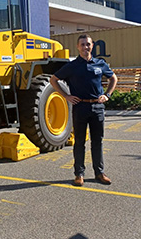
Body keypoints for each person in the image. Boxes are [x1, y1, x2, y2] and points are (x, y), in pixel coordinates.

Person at [50, 34, 117, 187]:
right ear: (78, 47)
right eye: (82, 44)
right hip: (80, 107)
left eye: (88, 44)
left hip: (98, 107)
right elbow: (53, 80)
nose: (85, 47)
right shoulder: (72, 66)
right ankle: (79, 174)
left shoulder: (100, 64)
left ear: (92, 46)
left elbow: (113, 78)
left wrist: (107, 95)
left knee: (97, 142)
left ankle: (99, 173)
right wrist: (66, 96)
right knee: (79, 142)